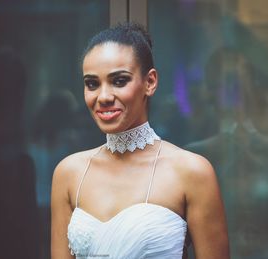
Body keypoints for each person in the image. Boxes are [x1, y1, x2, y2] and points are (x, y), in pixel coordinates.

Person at [51, 23, 229, 259]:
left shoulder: (192, 172)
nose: (103, 97)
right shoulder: (69, 173)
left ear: (150, 82)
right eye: (92, 84)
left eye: (119, 80)